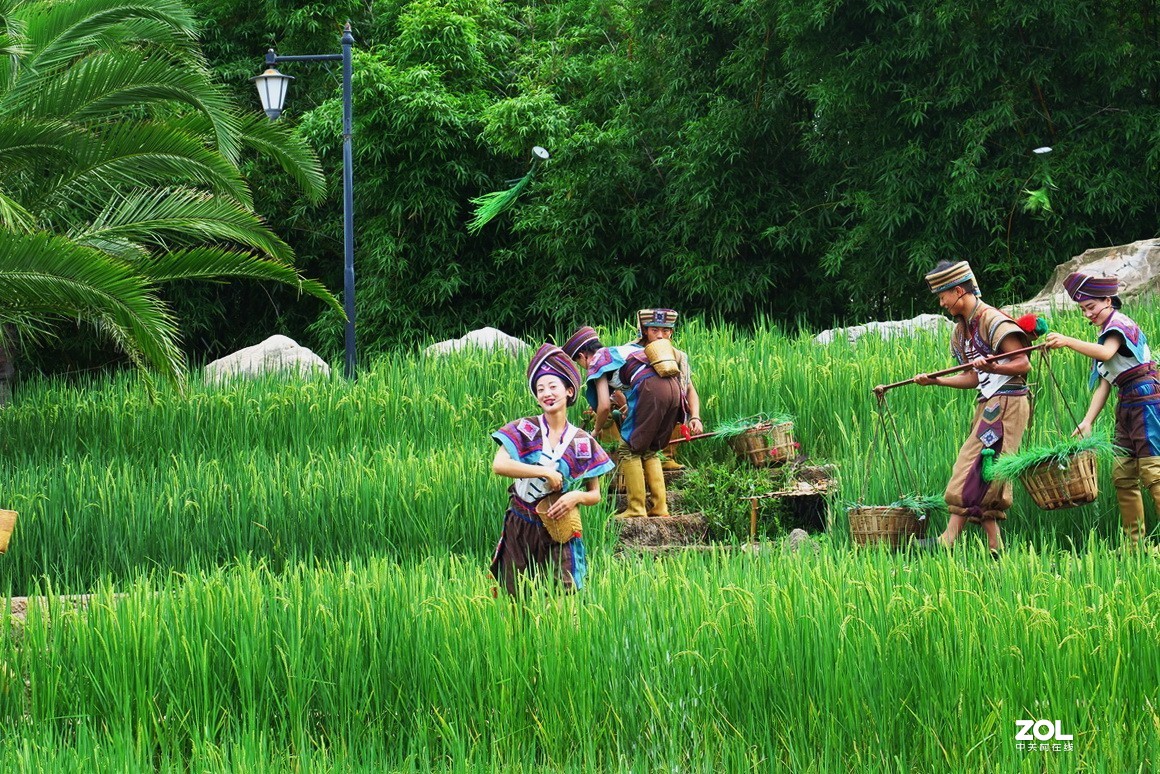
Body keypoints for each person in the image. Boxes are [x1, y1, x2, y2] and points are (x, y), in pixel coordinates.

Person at [904, 261, 1032, 554]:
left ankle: (947, 540)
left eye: (943, 296)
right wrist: (937, 381)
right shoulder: (961, 332)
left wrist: (994, 364)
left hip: (1007, 402)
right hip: (988, 402)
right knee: (985, 471)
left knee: (973, 464)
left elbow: (1023, 363)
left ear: (959, 290)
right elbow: (973, 377)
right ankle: (994, 547)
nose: (941, 303)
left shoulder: (993, 320)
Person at [490, 343, 614, 596]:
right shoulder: (524, 428)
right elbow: (499, 465)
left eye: (553, 386)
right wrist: (543, 472)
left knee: (564, 593)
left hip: (559, 523)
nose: (547, 393)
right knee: (515, 594)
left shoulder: (581, 440)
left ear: (569, 391)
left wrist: (575, 497)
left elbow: (595, 494)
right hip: (521, 522)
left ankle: (562, 635)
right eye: (540, 389)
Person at [1044, 272, 1156, 548]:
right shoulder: (1104, 333)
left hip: (1148, 399)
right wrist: (1087, 421)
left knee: (1154, 472)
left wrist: (1068, 341)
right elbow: (1105, 384)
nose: (1087, 314)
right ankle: (1135, 547)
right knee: (1123, 474)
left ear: (1108, 300)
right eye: (1083, 309)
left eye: (1091, 307)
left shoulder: (1119, 324)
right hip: (1127, 401)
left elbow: (1105, 354)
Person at [583, 309, 702, 518]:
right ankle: (660, 507)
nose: (659, 335)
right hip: (664, 396)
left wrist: (596, 430)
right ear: (645, 331)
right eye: (654, 330)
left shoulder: (672, 356)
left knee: (628, 449)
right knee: (648, 450)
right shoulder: (640, 351)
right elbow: (622, 390)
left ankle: (636, 509)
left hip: (651, 394)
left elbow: (603, 405)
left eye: (665, 331)